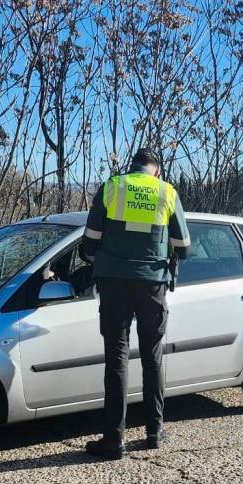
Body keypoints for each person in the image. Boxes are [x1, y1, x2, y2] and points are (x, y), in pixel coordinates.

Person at [81, 148, 191, 460]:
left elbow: (90, 240)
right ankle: (154, 432)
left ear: (132, 167)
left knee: (116, 359)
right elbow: (183, 247)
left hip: (113, 283)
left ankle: (114, 440)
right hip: (152, 283)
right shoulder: (166, 192)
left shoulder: (112, 186)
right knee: (152, 357)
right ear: (156, 169)